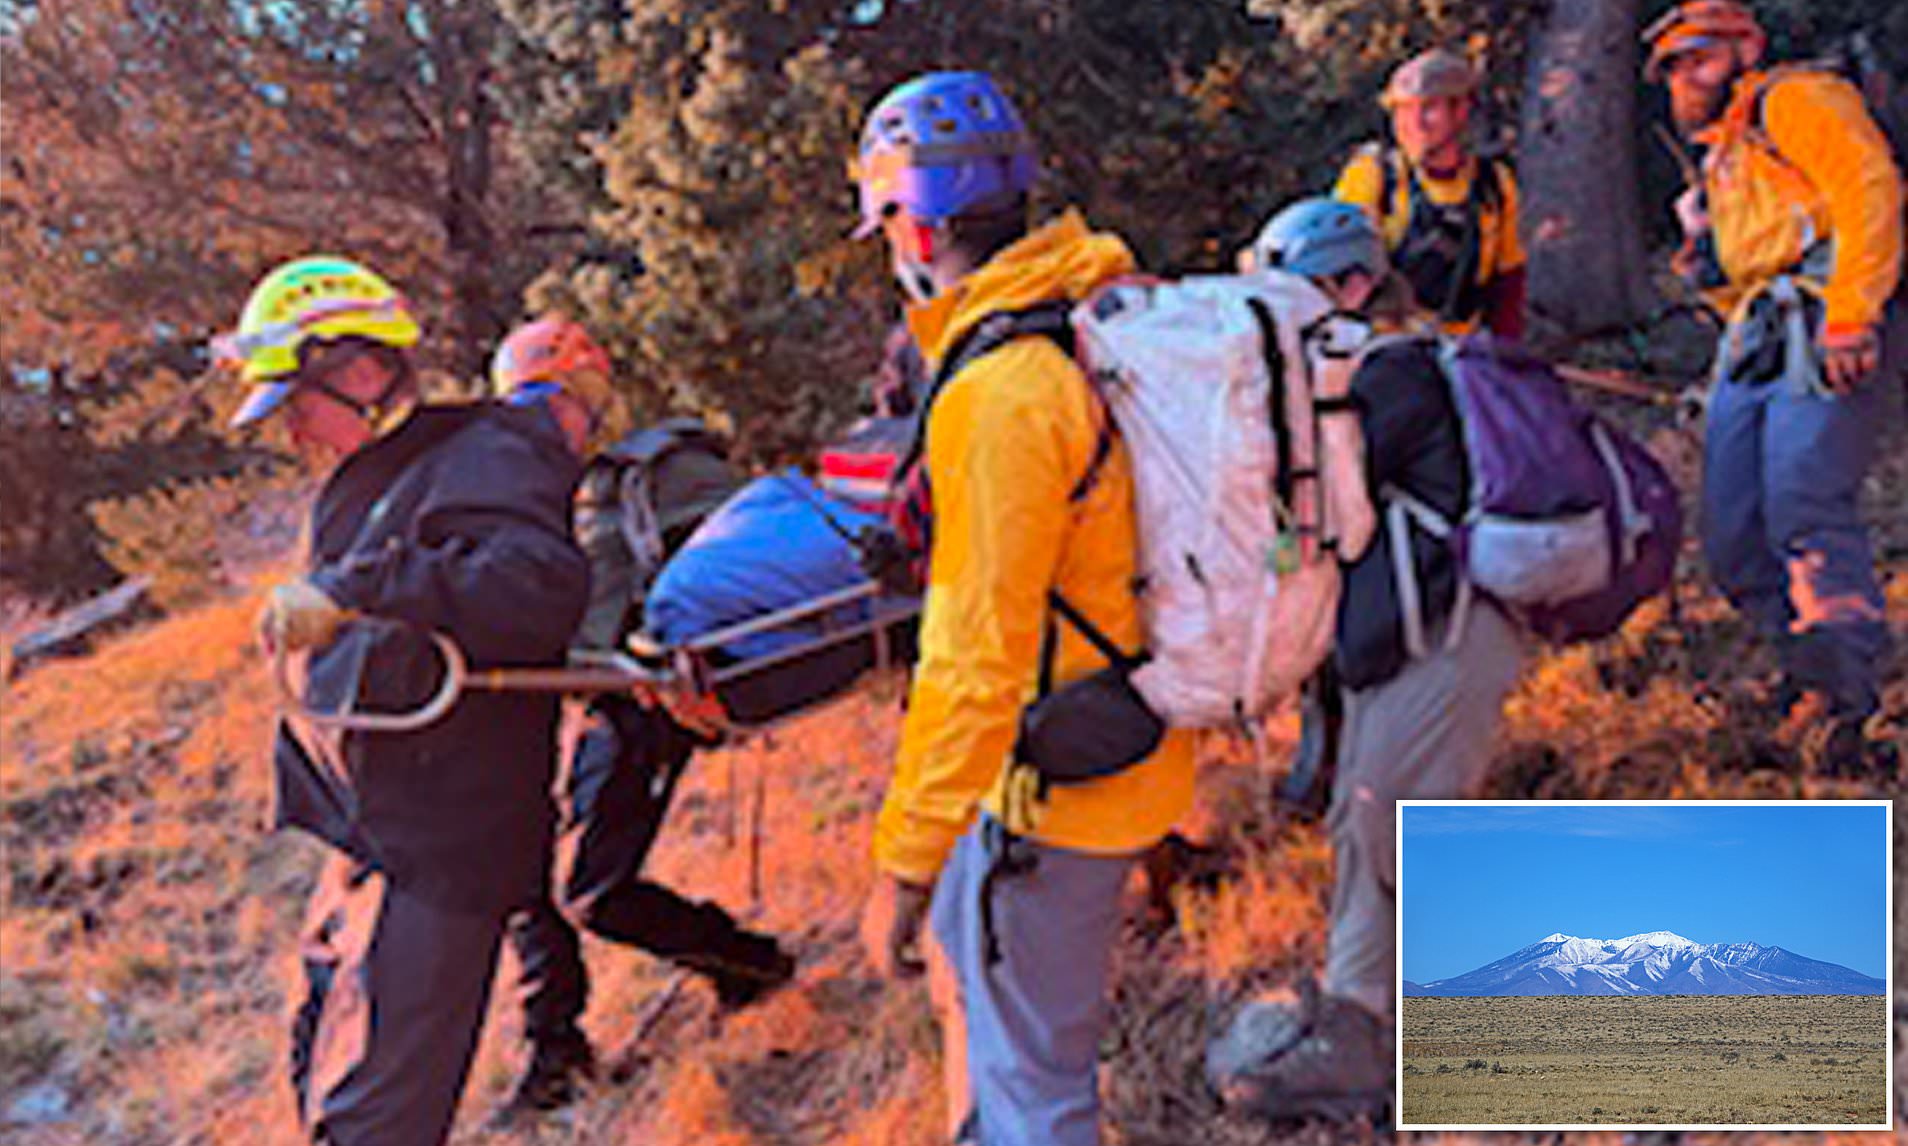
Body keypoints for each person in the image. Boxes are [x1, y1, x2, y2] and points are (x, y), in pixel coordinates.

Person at [848, 71, 1196, 1146]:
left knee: (1036, 1092)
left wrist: (906, 862)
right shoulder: (1093, 311)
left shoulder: (999, 392)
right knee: (1010, 1022)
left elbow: (972, 660)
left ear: (913, 221)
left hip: (1054, 792)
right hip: (1131, 732)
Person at [216, 257, 590, 1144]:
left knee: (372, 1122)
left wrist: (360, 588)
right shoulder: (383, 474)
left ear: (360, 371)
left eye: (299, 405)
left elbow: (537, 586)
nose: (296, 434)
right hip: (365, 828)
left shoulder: (486, 450)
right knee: (320, 1079)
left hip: (439, 836)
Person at [1209, 200, 1526, 1123]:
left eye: (1297, 291)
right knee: (1367, 830)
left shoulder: (1385, 377)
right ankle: (1362, 1034)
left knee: (1397, 833)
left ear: (1352, 286)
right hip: (1423, 638)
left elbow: (1303, 512)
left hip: (1453, 635)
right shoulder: (1363, 373)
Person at [485, 317, 794, 1118]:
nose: (546, 424)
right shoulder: (558, 498)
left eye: (558, 403)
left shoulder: (635, 483)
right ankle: (554, 1049)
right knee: (527, 872)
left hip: (642, 704)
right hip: (594, 699)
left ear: (589, 403)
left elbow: (741, 566)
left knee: (593, 891)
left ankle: (748, 963)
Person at [1643, 0, 1902, 775]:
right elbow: (1748, 270)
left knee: (1805, 508)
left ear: (1746, 46)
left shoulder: (1797, 99)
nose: (1686, 76)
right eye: (1674, 67)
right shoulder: (1722, 153)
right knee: (1733, 535)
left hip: (1827, 327)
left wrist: (1853, 315)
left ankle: (1854, 708)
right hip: (1757, 340)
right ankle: (1808, 674)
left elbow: (1871, 191)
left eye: (1700, 57)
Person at [1332, 48, 1526, 339]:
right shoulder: (1373, 175)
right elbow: (1338, 268)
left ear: (1461, 110)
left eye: (1429, 108)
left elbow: (1509, 283)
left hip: (1461, 353)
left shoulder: (1494, 183)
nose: (1415, 123)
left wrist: (1505, 357)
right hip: (1383, 351)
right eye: (1403, 110)